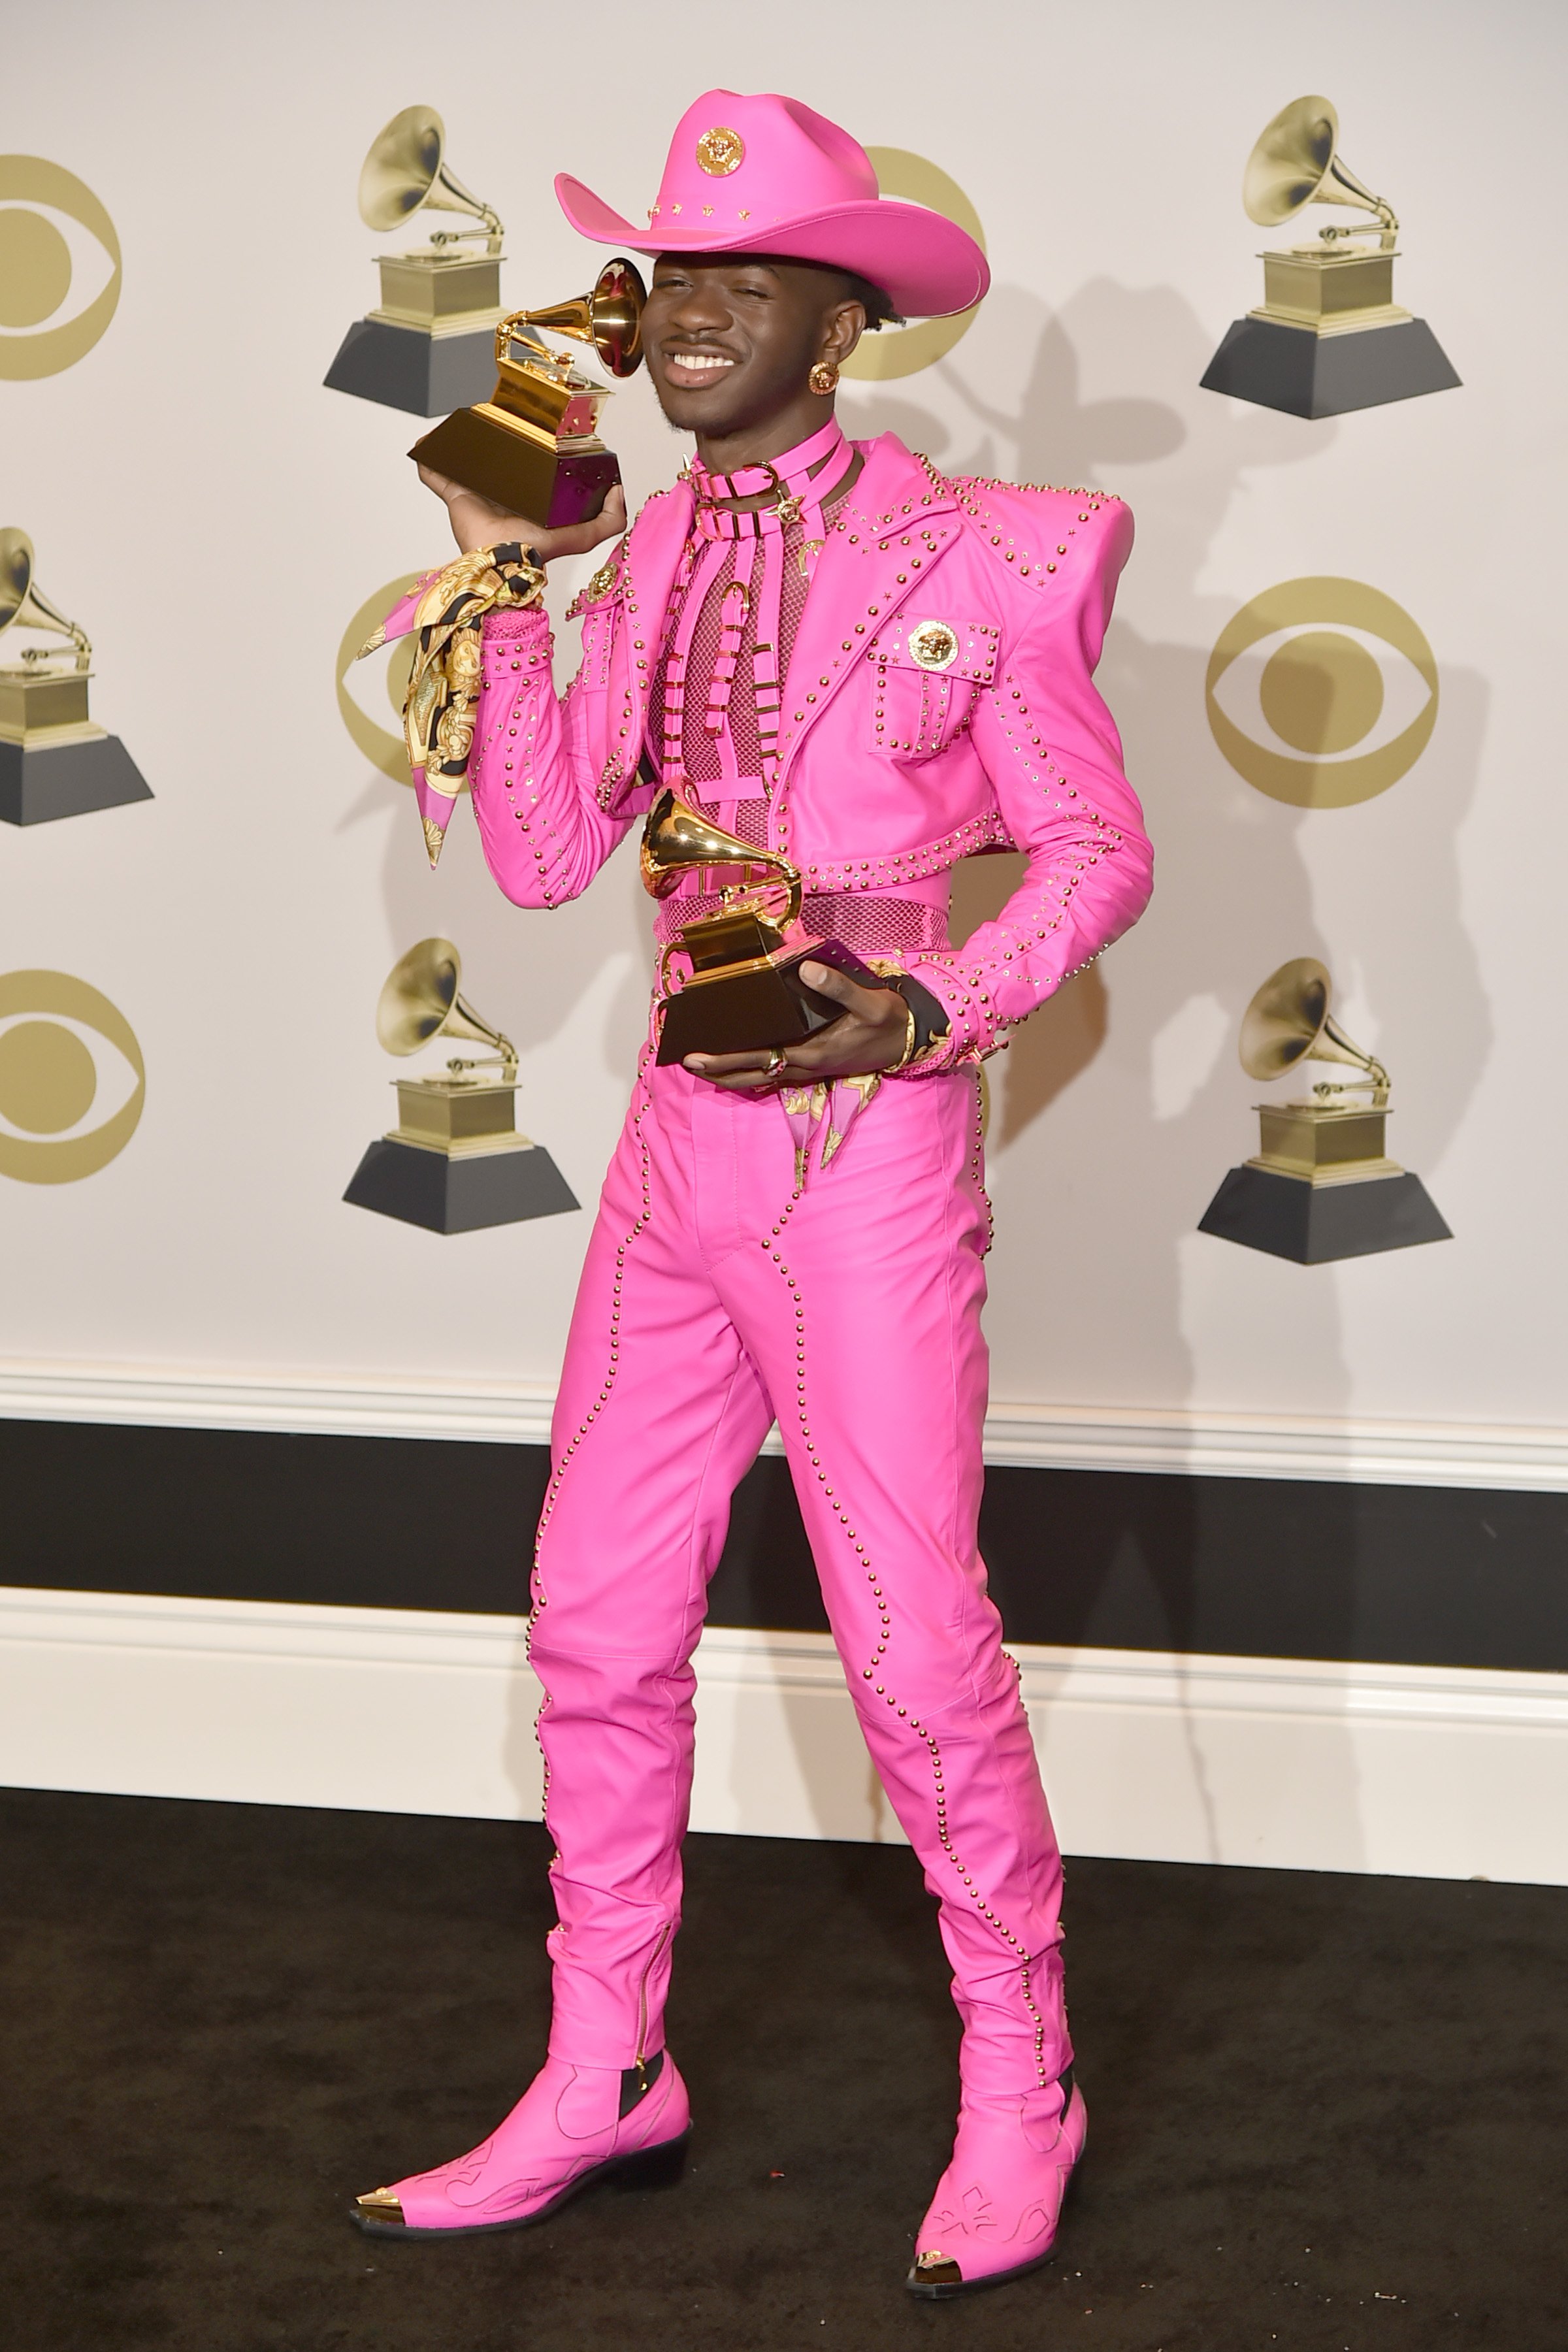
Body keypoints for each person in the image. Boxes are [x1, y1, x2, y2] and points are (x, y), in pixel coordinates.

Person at [351, 89, 1152, 2299]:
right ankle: (606, 2064)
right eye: (666, 277)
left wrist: (931, 1014)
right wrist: (510, 576)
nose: (685, 313)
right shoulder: (647, 555)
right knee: (597, 1625)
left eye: (740, 279)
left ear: (841, 318)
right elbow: (533, 852)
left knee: (908, 1648)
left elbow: (1097, 850)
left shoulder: (994, 552)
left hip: (864, 1157)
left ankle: (1027, 2073)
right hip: (668, 1158)